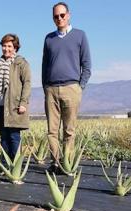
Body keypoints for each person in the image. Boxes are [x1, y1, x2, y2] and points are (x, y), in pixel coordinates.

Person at [42, 1, 91, 174]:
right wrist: (45, 87)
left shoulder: (80, 35)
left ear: (68, 15)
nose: (59, 18)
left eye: (62, 15)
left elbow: (87, 64)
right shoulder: (49, 38)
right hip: (51, 89)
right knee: (52, 131)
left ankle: (67, 163)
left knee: (69, 130)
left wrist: (80, 86)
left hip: (71, 88)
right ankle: (55, 163)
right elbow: (44, 65)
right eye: (56, 16)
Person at [0, 33, 31, 160]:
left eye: (9, 46)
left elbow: (27, 83)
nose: (6, 49)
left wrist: (23, 103)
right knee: (3, 136)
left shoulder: (21, 63)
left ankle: (15, 164)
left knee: (14, 135)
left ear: (15, 48)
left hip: (14, 106)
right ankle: (5, 163)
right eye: (4, 46)